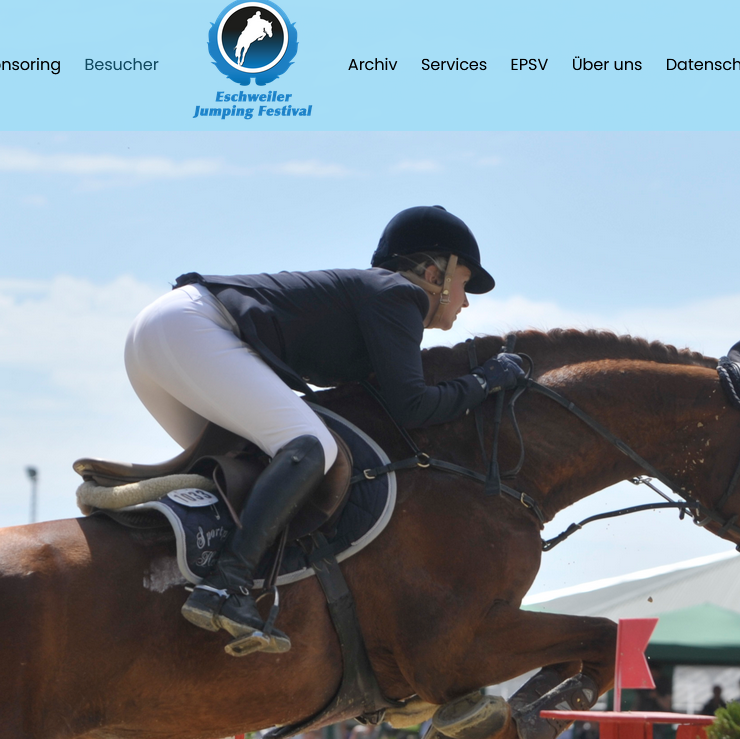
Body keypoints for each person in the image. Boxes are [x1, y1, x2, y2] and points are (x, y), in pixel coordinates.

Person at [125, 206, 521, 655]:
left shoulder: (376, 301)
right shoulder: (399, 295)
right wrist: (490, 379)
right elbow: (414, 406)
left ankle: (195, 578)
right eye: (465, 284)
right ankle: (226, 586)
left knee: (250, 473)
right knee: (311, 446)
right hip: (193, 329)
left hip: (153, 341)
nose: (467, 302)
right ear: (434, 272)